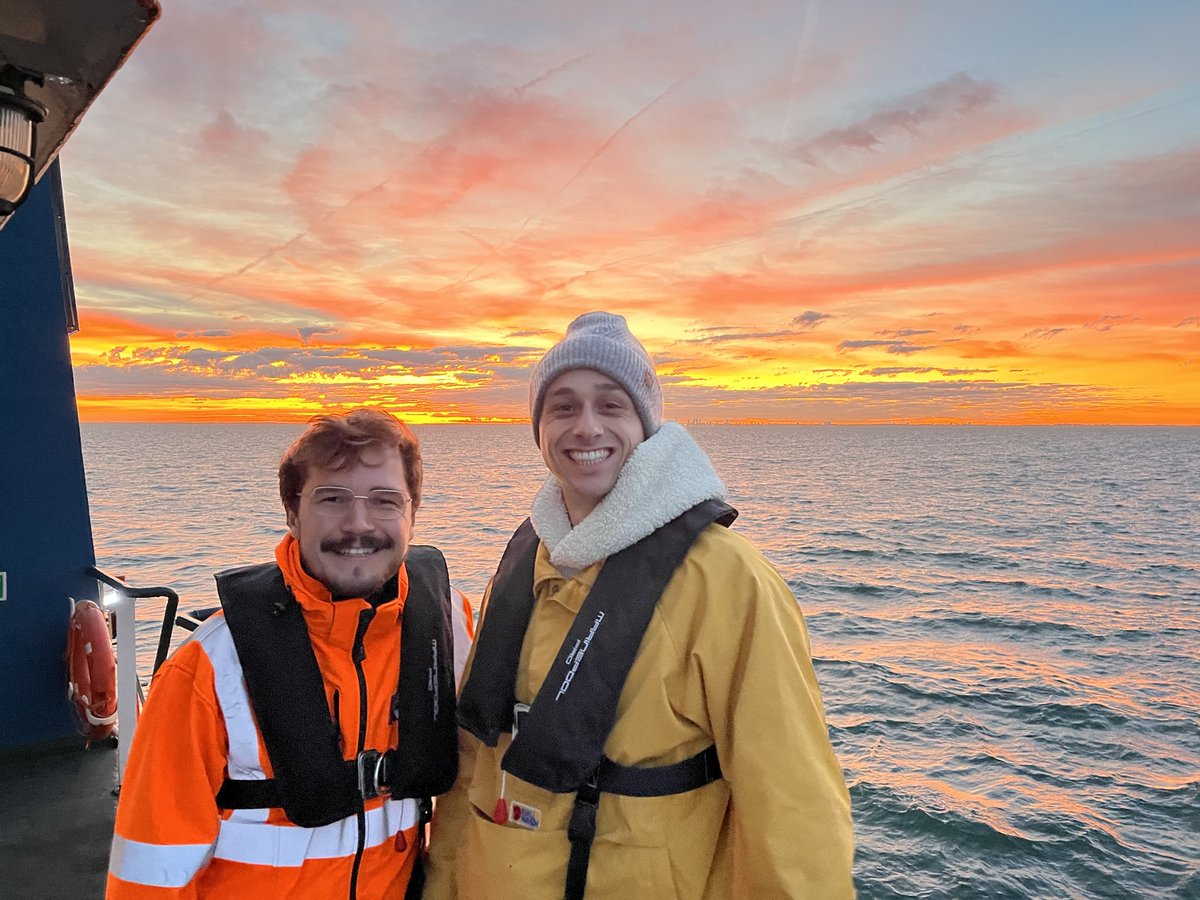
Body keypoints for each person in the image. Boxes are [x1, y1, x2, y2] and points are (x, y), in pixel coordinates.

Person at [425, 312, 855, 899]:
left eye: (611, 405)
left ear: (646, 423)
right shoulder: (527, 559)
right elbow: (476, 758)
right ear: (539, 428)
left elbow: (792, 799)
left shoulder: (725, 578)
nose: (585, 426)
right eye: (563, 406)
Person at [107, 408, 474, 899]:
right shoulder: (209, 672)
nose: (358, 523)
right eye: (332, 499)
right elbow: (149, 877)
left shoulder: (448, 625)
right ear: (291, 512)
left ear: (413, 512)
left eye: (385, 500)